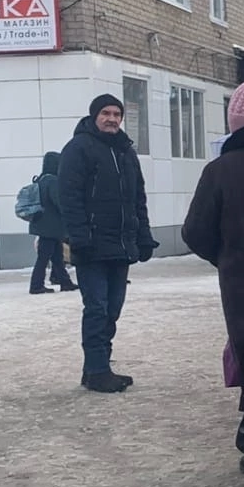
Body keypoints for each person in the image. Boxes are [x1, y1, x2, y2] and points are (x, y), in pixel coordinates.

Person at [184, 82, 244, 479]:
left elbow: (194, 231)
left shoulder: (219, 170)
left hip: (241, 283)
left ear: (234, 126)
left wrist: (226, 257)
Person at [59, 93, 156, 393]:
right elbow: (69, 197)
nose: (112, 119)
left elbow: (137, 199)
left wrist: (143, 236)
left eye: (117, 114)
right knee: (97, 308)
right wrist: (80, 237)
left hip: (121, 245)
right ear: (94, 116)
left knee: (113, 308)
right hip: (91, 246)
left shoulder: (126, 151)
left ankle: (95, 367)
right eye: (106, 113)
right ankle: (99, 370)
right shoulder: (78, 149)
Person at [26, 150, 76, 294]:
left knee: (57, 256)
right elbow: (59, 202)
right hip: (50, 227)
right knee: (44, 258)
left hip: (43, 225)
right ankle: (36, 285)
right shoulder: (52, 181)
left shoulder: (41, 179)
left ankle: (65, 282)